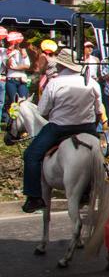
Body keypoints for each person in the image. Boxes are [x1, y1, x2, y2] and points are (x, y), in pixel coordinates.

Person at [20, 48, 104, 213]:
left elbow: (42, 111)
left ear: (61, 66)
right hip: (88, 127)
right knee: (105, 156)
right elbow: (98, 109)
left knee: (31, 155)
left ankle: (34, 197)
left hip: (59, 127)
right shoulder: (92, 83)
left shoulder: (54, 83)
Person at [5, 32, 30, 120]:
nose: (14, 44)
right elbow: (8, 66)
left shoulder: (23, 52)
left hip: (22, 80)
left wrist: (16, 67)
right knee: (13, 103)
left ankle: (24, 123)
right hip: (11, 79)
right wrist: (9, 54)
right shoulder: (7, 52)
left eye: (15, 42)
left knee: (23, 102)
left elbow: (27, 66)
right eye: (12, 42)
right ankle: (13, 124)